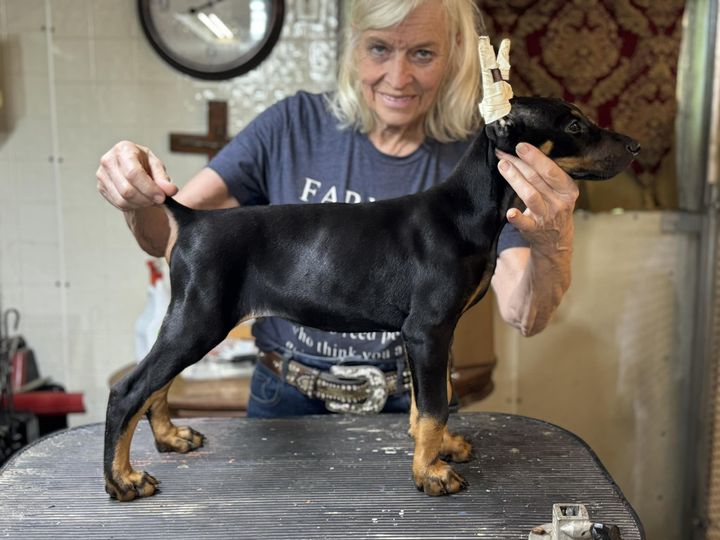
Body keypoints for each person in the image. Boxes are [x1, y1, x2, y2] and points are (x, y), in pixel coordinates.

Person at [96, 0, 579, 418]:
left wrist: (553, 241)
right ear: (353, 45)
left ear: (454, 52)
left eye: (422, 53)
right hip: (285, 399)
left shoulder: (481, 162)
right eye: (379, 49)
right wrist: (135, 196)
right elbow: (168, 236)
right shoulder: (291, 126)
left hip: (410, 399)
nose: (398, 77)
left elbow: (524, 314)